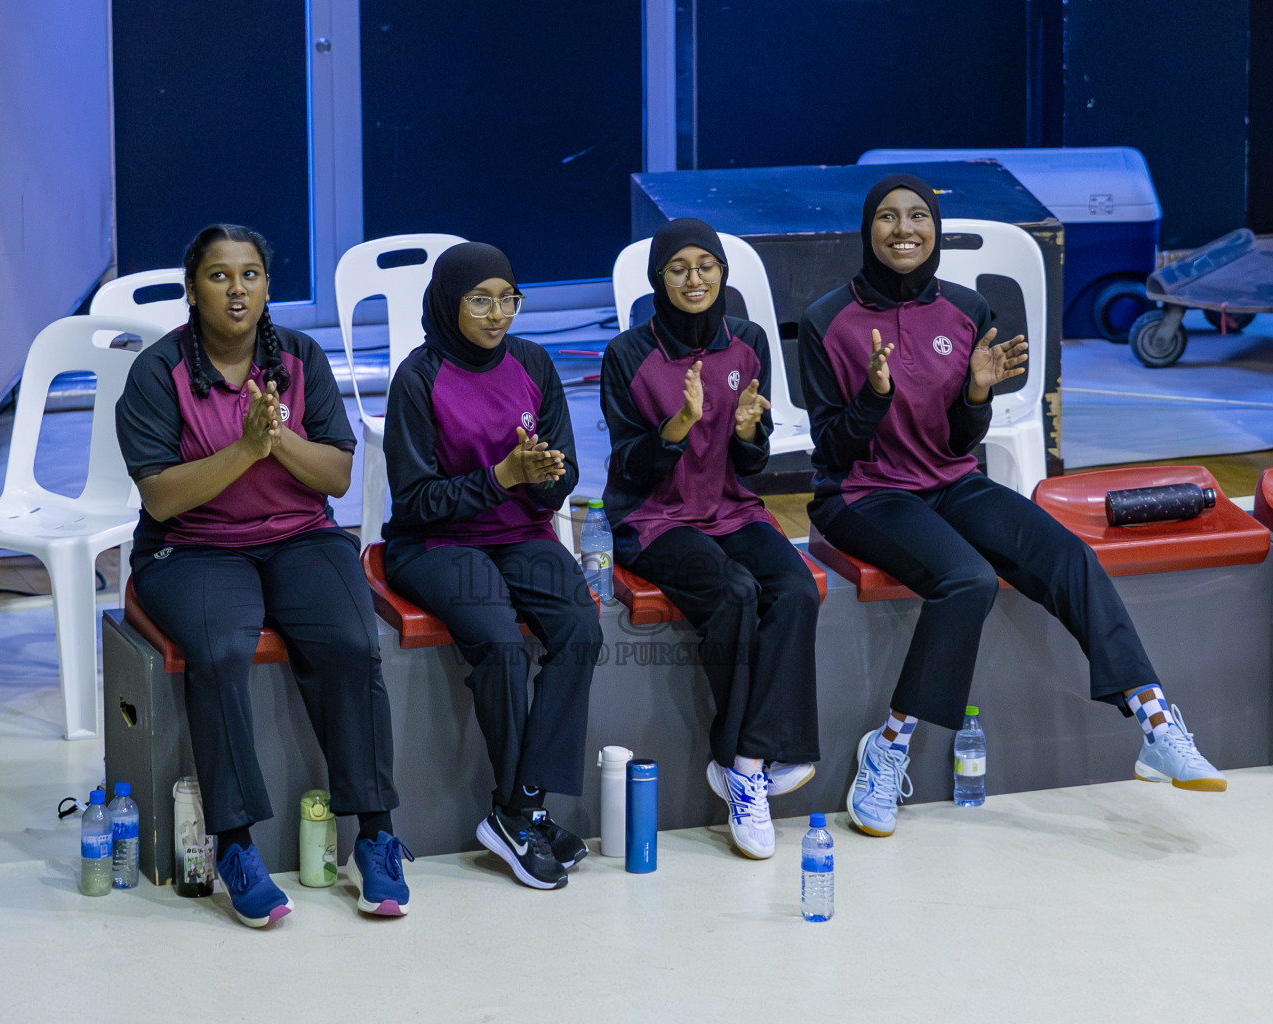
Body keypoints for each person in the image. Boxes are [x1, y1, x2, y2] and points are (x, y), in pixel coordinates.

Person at [798, 175, 1227, 839]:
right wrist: (874, 397)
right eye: (888, 217)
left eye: (918, 216)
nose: (904, 228)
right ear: (868, 230)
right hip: (863, 491)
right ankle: (887, 747)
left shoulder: (967, 310)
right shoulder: (829, 319)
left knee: (1067, 554)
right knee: (964, 580)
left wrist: (976, 393)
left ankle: (1155, 720)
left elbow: (961, 440)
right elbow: (828, 449)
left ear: (935, 230)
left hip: (946, 476)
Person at [116, 224, 409, 926]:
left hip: (301, 537)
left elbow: (335, 476)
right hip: (191, 548)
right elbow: (161, 496)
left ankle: (373, 836)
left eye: (250, 274)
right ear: (193, 290)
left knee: (350, 640)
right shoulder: (158, 373)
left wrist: (279, 440)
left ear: (268, 287)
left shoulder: (300, 358)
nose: (236, 289)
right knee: (220, 654)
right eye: (219, 276)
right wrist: (247, 450)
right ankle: (237, 845)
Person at [381, 242, 603, 890]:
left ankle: (519, 807)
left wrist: (543, 478)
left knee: (580, 630)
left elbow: (560, 478)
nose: (497, 312)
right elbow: (415, 502)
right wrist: (502, 475)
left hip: (521, 533)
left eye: (509, 298)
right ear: (450, 303)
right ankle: (521, 814)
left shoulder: (533, 363)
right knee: (501, 645)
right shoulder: (419, 378)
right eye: (481, 299)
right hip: (435, 544)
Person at [600, 218, 821, 860]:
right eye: (679, 268)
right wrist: (679, 425)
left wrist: (752, 432)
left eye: (706, 265)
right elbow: (629, 467)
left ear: (722, 272)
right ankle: (750, 773)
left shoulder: (748, 343)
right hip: (653, 518)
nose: (694, 279)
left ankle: (743, 761)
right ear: (658, 280)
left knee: (794, 587)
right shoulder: (628, 356)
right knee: (733, 591)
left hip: (732, 508)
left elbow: (751, 464)